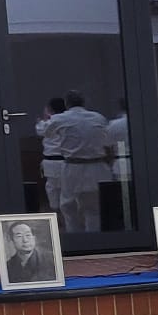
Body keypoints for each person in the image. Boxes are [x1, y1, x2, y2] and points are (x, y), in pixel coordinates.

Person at [47, 93, 110, 232]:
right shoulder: (99, 117)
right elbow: (107, 140)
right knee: (94, 207)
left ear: (67, 104)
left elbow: (46, 132)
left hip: (73, 166)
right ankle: (95, 237)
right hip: (98, 166)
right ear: (83, 102)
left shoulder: (59, 119)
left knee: (68, 205)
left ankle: (74, 237)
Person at [35, 97, 65, 212]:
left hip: (51, 161)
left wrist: (43, 119)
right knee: (67, 188)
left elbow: (40, 130)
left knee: (52, 188)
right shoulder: (68, 121)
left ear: (50, 109)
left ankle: (55, 211)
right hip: (67, 160)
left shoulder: (47, 123)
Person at [4, 219, 56, 284]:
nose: (25, 240)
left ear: (34, 238)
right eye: (19, 236)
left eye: (28, 235)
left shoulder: (52, 259)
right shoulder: (8, 266)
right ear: (12, 240)